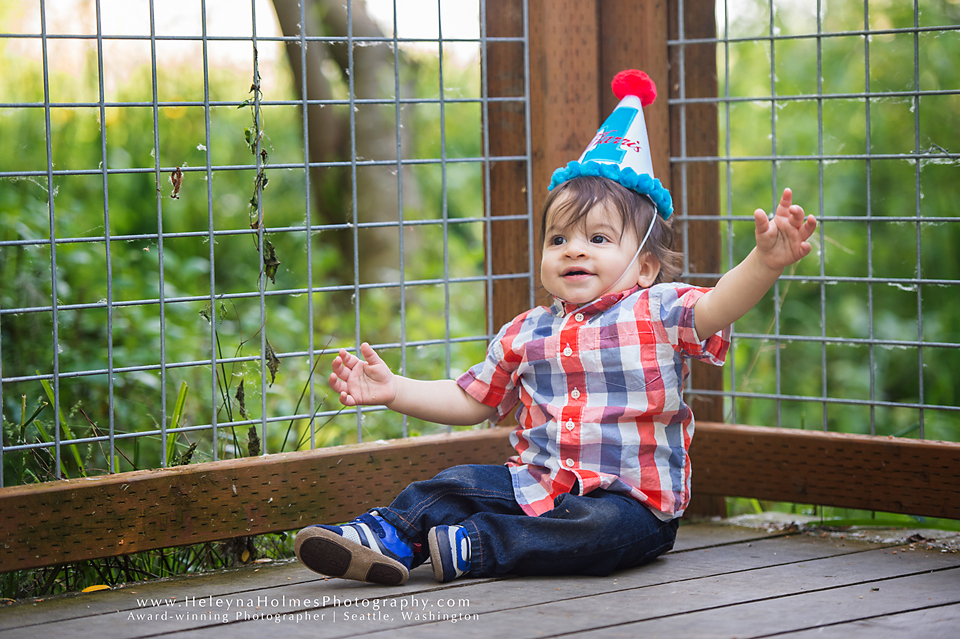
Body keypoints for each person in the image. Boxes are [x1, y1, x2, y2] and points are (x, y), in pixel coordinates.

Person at [294, 70, 818, 587]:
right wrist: (394, 390)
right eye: (559, 237)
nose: (574, 248)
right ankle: (384, 537)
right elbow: (471, 400)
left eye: (598, 237)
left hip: (633, 504)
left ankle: (477, 545)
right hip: (535, 484)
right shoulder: (526, 332)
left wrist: (764, 263)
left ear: (644, 266)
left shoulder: (659, 309)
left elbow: (721, 305)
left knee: (601, 531)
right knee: (458, 482)